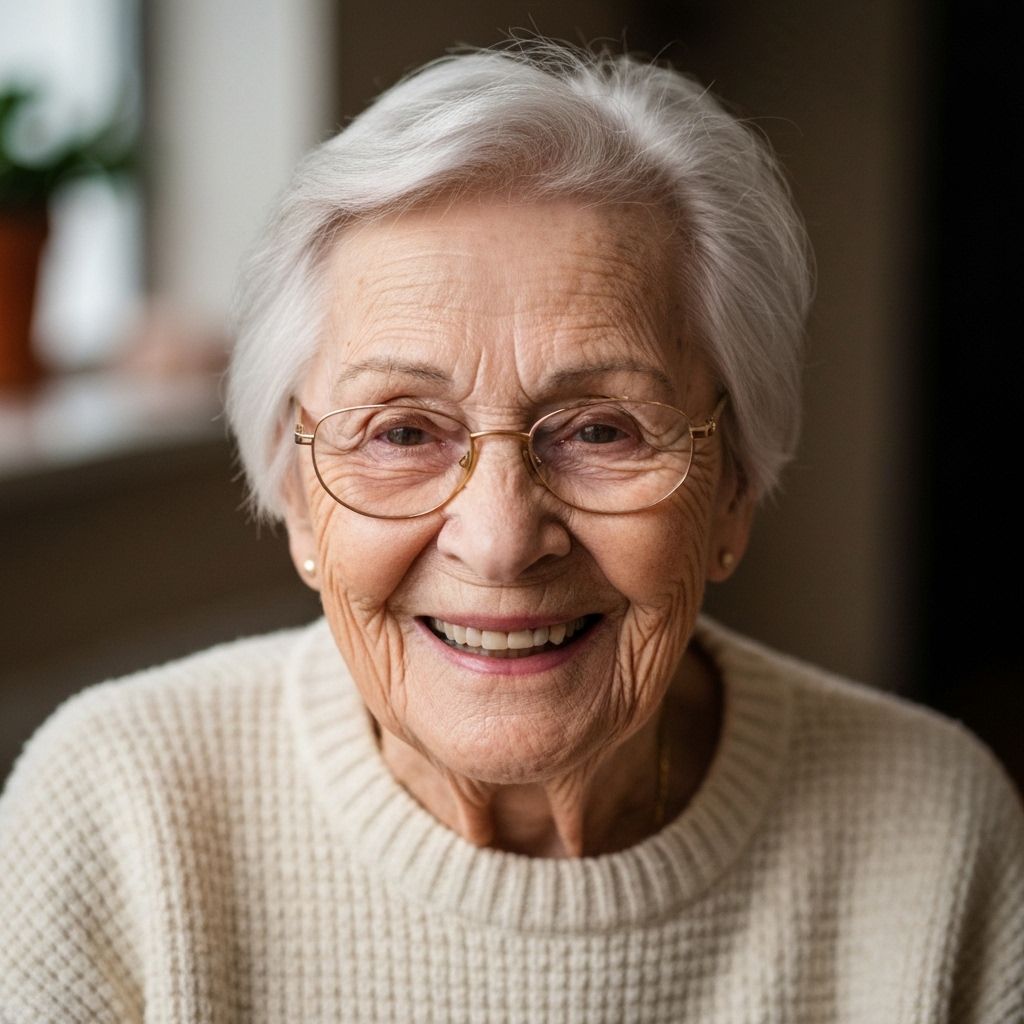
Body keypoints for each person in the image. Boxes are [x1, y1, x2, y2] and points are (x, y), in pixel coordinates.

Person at [1, 41, 1021, 1024]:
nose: (499, 539)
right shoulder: (118, 808)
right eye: (403, 431)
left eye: (600, 430)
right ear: (300, 497)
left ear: (734, 492)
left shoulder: (936, 830)